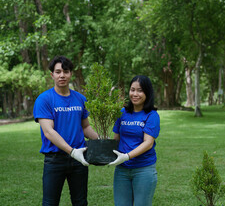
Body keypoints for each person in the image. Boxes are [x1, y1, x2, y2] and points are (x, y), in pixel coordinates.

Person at [33, 56, 99, 205]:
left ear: (71, 74)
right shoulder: (44, 99)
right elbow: (49, 132)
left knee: (80, 202)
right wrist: (71, 151)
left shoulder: (80, 99)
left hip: (79, 158)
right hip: (54, 160)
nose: (62, 75)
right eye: (58, 72)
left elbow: (85, 127)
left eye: (66, 71)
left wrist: (100, 140)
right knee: (50, 202)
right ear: (52, 75)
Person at [109, 75, 160, 206]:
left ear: (147, 93)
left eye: (140, 90)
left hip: (143, 170)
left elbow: (148, 143)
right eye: (132, 90)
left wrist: (127, 156)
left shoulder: (152, 115)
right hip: (122, 171)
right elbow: (116, 139)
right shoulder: (122, 113)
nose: (135, 94)